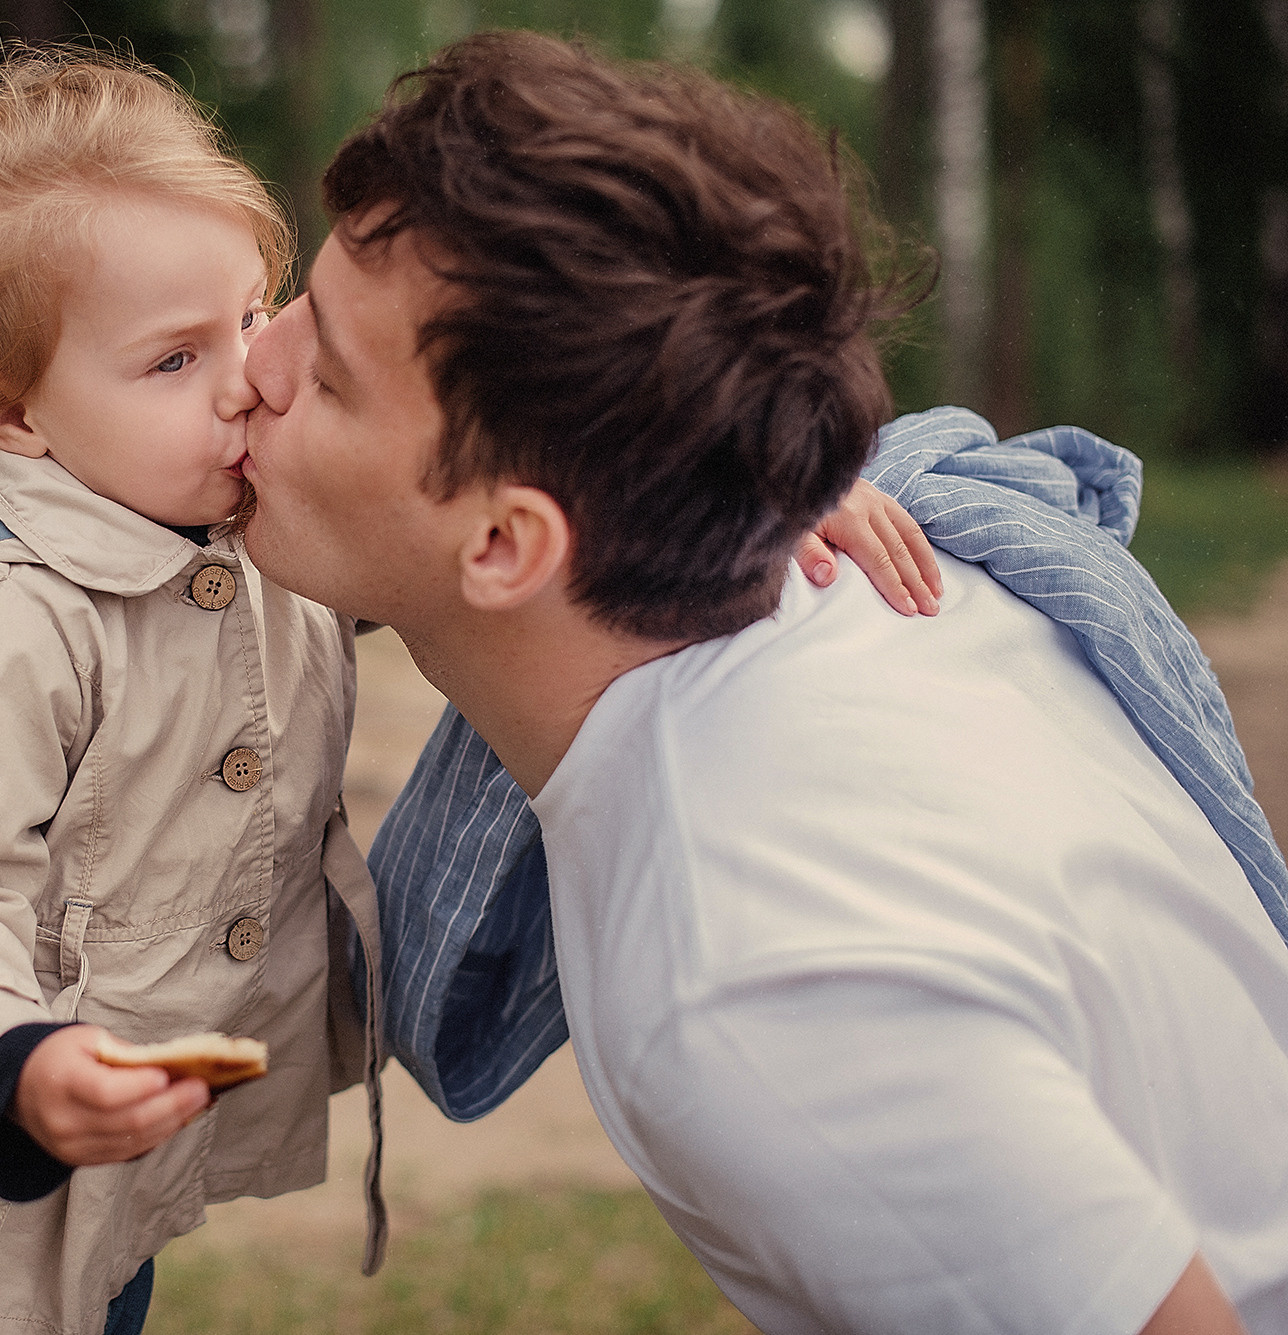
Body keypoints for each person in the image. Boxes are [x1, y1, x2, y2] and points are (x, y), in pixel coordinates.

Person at [0, 43, 937, 1335]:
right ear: (11, 411)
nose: (249, 370)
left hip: (90, 1209)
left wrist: (744, 490)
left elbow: (482, 540)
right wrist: (17, 1055)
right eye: (173, 358)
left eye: (250, 317)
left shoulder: (248, 541)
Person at [238, 30, 1288, 1335]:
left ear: (507, 543)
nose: (251, 368)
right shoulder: (890, 575)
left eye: (325, 374)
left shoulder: (751, 983)